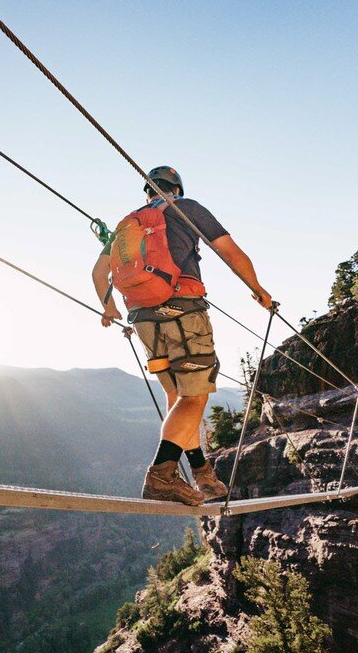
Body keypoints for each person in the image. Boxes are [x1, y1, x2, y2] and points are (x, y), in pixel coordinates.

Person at [91, 166, 273, 506]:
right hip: (183, 312)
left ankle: (202, 473)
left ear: (148, 191)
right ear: (178, 188)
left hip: (143, 319)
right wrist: (258, 290)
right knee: (194, 398)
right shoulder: (185, 209)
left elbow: (99, 273)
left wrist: (110, 308)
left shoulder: (127, 224)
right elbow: (230, 252)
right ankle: (161, 474)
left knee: (178, 397)